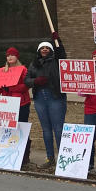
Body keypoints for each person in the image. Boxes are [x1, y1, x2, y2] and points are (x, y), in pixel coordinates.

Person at [25, 35, 67, 168]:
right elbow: (26, 80)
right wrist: (35, 81)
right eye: (42, 48)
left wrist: (58, 42)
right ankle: (50, 158)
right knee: (46, 130)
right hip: (39, 99)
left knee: (58, 129)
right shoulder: (34, 64)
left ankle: (62, 158)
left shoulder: (56, 61)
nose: (44, 50)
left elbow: (62, 54)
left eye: (47, 48)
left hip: (55, 97)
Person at [0, 47, 32, 165]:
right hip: (7, 104)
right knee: (7, 129)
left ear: (17, 57)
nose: (10, 57)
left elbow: (25, 85)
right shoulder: (3, 70)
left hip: (21, 103)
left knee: (22, 129)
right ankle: (7, 153)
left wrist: (10, 88)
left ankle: (25, 156)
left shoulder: (23, 69)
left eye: (12, 55)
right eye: (8, 55)